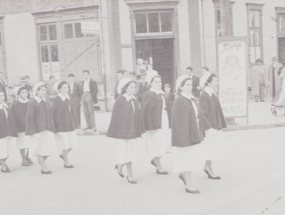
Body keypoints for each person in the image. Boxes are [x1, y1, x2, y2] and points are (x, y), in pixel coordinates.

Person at [107, 77, 144, 184]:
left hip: (132, 132)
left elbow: (137, 115)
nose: (134, 89)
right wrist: (121, 132)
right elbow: (116, 118)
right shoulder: (120, 100)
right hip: (123, 133)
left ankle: (120, 164)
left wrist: (139, 129)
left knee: (130, 152)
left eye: (134, 87)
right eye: (131, 87)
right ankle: (130, 175)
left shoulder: (134, 99)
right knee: (127, 153)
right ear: (125, 89)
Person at [171, 75, 204, 194]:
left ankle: (185, 177)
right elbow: (178, 123)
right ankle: (189, 184)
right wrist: (183, 139)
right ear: (181, 87)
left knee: (191, 158)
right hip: (184, 136)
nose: (190, 87)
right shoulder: (180, 101)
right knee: (186, 159)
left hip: (193, 132)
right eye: (187, 85)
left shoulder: (191, 99)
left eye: (191, 85)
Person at [199, 73, 226, 180]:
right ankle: (209, 169)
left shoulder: (212, 94)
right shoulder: (204, 95)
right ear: (209, 82)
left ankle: (207, 166)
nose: (217, 82)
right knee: (210, 148)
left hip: (214, 124)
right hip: (209, 127)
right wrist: (208, 128)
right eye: (214, 80)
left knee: (212, 147)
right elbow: (202, 113)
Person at [142, 74, 170, 175]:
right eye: (156, 82)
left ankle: (155, 160)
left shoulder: (162, 93)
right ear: (151, 83)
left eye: (159, 82)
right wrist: (148, 125)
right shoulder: (148, 94)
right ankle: (159, 166)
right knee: (157, 143)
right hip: (154, 121)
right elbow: (145, 110)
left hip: (163, 117)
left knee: (164, 142)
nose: (158, 84)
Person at [25, 82, 56, 174]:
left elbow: (50, 115)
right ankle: (43, 167)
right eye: (42, 90)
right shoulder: (33, 103)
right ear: (37, 91)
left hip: (47, 129)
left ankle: (41, 161)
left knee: (48, 149)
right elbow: (30, 118)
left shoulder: (45, 101)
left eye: (45, 91)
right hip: (38, 130)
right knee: (39, 148)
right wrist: (34, 132)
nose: (44, 92)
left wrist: (52, 127)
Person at [53, 81, 77, 168]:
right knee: (65, 145)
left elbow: (71, 111)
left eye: (67, 87)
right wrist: (57, 128)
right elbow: (54, 114)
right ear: (59, 90)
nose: (66, 89)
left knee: (72, 144)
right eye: (64, 88)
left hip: (69, 124)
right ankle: (67, 162)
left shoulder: (68, 98)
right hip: (62, 126)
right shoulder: (57, 100)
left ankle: (64, 155)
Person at [11, 86, 33, 166]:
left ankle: (27, 157)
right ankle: (23, 159)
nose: (25, 94)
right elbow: (14, 116)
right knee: (22, 143)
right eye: (23, 93)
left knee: (30, 143)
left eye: (26, 92)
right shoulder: (16, 104)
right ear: (19, 94)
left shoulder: (30, 102)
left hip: (29, 126)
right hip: (20, 127)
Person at [0, 89, 16, 173]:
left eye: (2, 96)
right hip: (1, 132)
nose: (1, 98)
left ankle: (2, 161)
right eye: (0, 96)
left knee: (8, 149)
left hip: (8, 131)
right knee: (2, 149)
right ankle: (3, 165)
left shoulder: (5, 105)